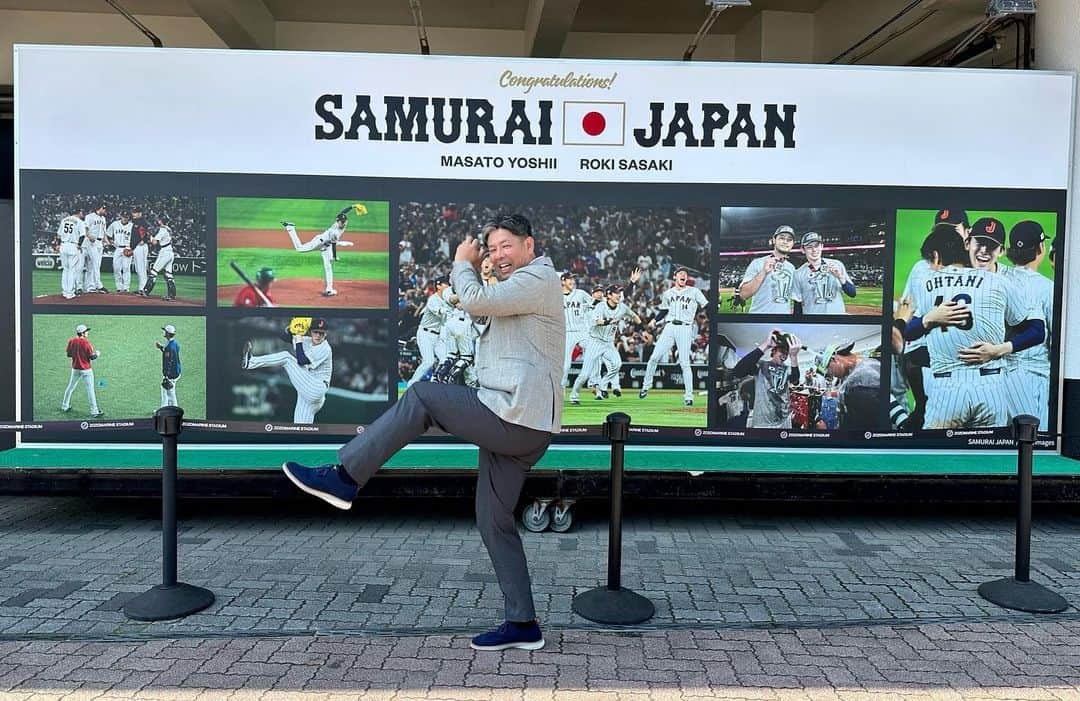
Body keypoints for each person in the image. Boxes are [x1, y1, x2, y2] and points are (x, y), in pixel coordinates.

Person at [280, 213, 564, 652]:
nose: (498, 255)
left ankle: (345, 477)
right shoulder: (519, 286)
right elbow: (482, 312)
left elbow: (473, 300)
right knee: (494, 520)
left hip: (514, 415)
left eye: (506, 245)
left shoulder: (539, 277)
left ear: (530, 244)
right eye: (491, 248)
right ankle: (523, 623)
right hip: (518, 420)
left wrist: (462, 261)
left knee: (423, 398)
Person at [904, 218, 1045, 429]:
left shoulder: (934, 281)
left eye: (992, 246)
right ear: (967, 243)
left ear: (1002, 251)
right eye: (980, 244)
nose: (985, 252)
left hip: (991, 378)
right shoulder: (997, 282)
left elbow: (1038, 330)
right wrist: (930, 319)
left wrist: (999, 350)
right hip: (966, 383)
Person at [1001, 220, 1054, 426]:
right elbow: (1055, 341)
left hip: (997, 375)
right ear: (1040, 248)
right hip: (1033, 378)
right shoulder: (1047, 288)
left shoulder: (999, 277)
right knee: (1034, 444)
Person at [242, 317, 333, 424]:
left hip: (316, 388)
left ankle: (250, 362)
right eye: (315, 332)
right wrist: (292, 328)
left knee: (286, 357)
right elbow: (284, 337)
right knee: (301, 429)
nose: (318, 335)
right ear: (310, 331)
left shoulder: (325, 348)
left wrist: (299, 337)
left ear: (325, 334)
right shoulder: (307, 341)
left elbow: (301, 361)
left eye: (321, 333)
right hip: (308, 392)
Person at [639, 267, 708, 406]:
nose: (683, 276)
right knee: (654, 357)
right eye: (681, 274)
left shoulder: (694, 291)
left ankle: (689, 396)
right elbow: (664, 311)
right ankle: (646, 386)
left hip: (685, 327)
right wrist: (654, 320)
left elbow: (707, 305)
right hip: (669, 327)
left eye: (685, 274)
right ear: (675, 277)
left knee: (684, 363)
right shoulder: (668, 293)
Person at [569, 285, 641, 404]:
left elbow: (634, 316)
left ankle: (602, 385)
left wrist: (639, 324)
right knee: (585, 373)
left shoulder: (622, 307)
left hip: (609, 343)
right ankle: (574, 395)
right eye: (615, 293)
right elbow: (598, 321)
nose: (618, 295)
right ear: (609, 295)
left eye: (619, 293)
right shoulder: (600, 306)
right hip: (595, 342)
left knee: (617, 364)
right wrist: (609, 321)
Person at [732, 328, 802, 428]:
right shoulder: (761, 365)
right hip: (763, 424)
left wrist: (794, 356)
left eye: (787, 353)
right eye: (782, 351)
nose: (785, 355)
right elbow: (738, 372)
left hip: (784, 421)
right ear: (773, 351)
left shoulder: (787, 369)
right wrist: (766, 345)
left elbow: (795, 380)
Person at [281, 206, 357, 297]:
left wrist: (353, 206)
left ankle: (329, 289)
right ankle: (290, 228)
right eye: (342, 222)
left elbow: (343, 212)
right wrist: (334, 256)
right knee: (299, 249)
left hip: (326, 245)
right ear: (337, 221)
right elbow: (333, 245)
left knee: (328, 266)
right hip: (319, 242)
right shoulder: (335, 232)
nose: (344, 223)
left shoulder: (343, 222)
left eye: (344, 221)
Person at [816, 340, 880, 430]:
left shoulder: (860, 380)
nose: (831, 374)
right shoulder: (866, 365)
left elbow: (860, 429)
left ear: (834, 360)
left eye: (829, 369)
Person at [792, 231, 855, 315]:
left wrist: (840, 277)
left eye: (816, 246)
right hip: (813, 322)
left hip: (837, 320)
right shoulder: (798, 273)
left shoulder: (837, 265)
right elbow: (797, 304)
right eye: (809, 247)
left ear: (822, 246)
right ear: (803, 250)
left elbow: (852, 293)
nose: (814, 250)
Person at [739, 225, 797, 314]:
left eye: (789, 239)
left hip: (783, 322)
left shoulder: (791, 268)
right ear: (774, 240)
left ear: (792, 244)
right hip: (759, 320)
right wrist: (763, 272)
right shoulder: (758, 263)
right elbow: (743, 294)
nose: (785, 242)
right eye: (782, 238)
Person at [407, 276, 453, 386]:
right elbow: (441, 311)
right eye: (445, 284)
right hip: (425, 333)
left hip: (437, 335)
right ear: (438, 286)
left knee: (445, 360)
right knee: (429, 361)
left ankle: (434, 382)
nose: (448, 286)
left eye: (448, 284)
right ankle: (411, 384)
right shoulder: (433, 299)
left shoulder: (447, 300)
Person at [61, 323, 103, 417]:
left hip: (75, 368)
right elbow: (92, 357)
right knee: (90, 390)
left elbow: (68, 354)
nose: (87, 333)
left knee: (70, 387)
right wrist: (98, 353)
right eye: (86, 331)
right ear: (83, 333)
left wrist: (77, 355)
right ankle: (94, 411)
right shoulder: (86, 343)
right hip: (86, 370)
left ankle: (64, 406)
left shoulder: (71, 341)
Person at [141, 214, 177, 301]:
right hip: (170, 252)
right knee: (168, 274)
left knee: (153, 272)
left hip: (164, 252)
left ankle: (146, 291)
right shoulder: (168, 229)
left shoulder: (162, 230)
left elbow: (154, 242)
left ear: (161, 221)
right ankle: (172, 295)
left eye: (159, 220)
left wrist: (150, 236)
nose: (158, 221)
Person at [57, 206, 86, 299]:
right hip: (73, 245)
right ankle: (70, 293)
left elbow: (59, 234)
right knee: (72, 270)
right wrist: (79, 245)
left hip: (63, 245)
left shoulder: (64, 220)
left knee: (65, 269)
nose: (82, 213)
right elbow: (82, 236)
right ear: (79, 212)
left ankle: (65, 291)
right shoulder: (80, 222)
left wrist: (58, 244)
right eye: (81, 212)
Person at [106, 211, 134, 293]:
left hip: (127, 248)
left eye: (126, 217)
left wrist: (132, 248)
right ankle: (119, 287)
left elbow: (135, 238)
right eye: (123, 216)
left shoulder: (132, 226)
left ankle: (126, 288)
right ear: (120, 216)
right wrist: (111, 242)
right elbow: (108, 234)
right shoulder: (115, 224)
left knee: (126, 268)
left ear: (129, 217)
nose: (125, 218)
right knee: (116, 268)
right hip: (118, 248)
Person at [83, 203, 108, 293]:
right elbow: (85, 228)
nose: (105, 210)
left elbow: (104, 232)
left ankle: (90, 287)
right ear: (99, 208)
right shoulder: (90, 216)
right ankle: (99, 285)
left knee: (91, 266)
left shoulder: (103, 218)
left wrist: (107, 241)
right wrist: (89, 236)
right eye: (103, 208)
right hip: (91, 242)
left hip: (99, 242)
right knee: (96, 264)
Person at [156, 324, 182, 407]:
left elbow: (168, 362)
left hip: (171, 373)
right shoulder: (175, 344)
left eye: (165, 331)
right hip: (177, 371)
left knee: (169, 391)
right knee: (168, 390)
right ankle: (167, 408)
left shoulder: (169, 347)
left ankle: (170, 409)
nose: (164, 332)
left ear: (167, 333)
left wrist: (166, 376)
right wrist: (161, 347)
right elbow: (169, 352)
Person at [130, 208, 151, 292]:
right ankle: (141, 288)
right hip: (136, 247)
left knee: (141, 268)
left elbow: (149, 232)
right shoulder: (136, 222)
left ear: (140, 213)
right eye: (133, 212)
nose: (133, 214)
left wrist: (144, 240)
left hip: (141, 247)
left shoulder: (143, 222)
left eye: (135, 213)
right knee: (138, 269)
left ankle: (144, 289)